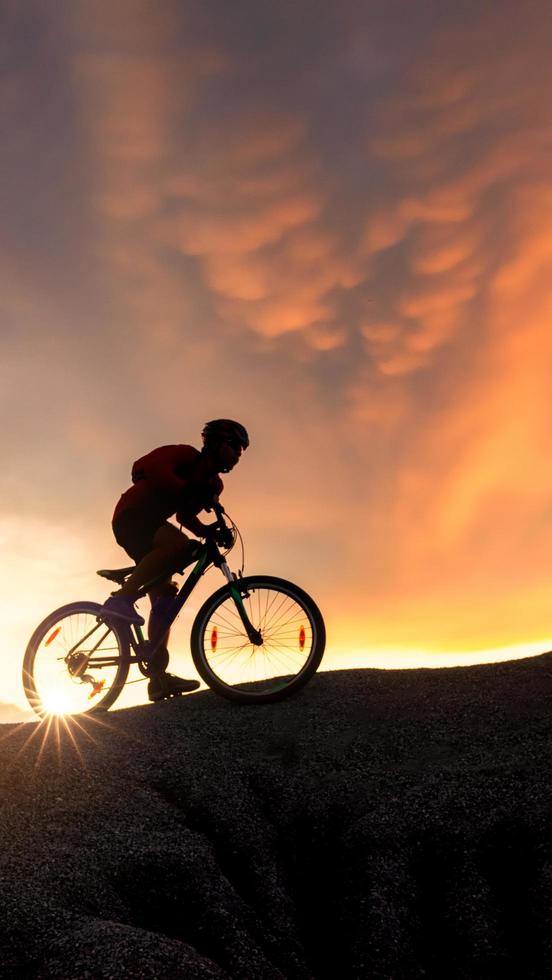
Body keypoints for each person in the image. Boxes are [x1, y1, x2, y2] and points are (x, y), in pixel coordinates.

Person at [100, 419, 249, 701]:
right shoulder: (186, 456)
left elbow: (184, 517)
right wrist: (185, 489)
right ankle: (120, 600)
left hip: (153, 528)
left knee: (165, 599)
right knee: (178, 545)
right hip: (132, 515)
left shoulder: (213, 483)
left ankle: (157, 678)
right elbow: (145, 468)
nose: (238, 454)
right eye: (234, 446)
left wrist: (210, 531)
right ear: (216, 442)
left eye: (241, 450)